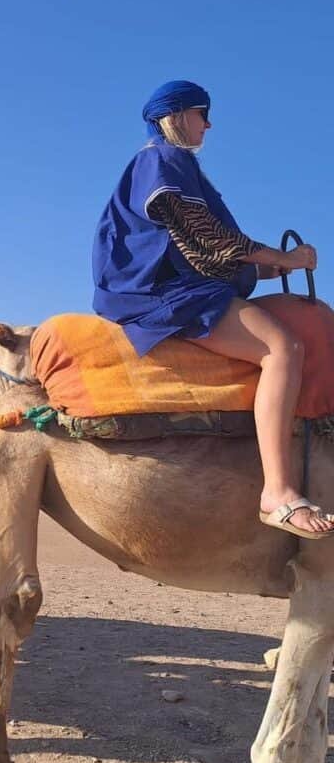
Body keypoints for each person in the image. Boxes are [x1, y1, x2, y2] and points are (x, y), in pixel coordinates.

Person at [92, 79, 334, 539]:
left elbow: (211, 255)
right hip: (164, 293)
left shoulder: (177, 166)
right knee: (282, 348)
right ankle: (278, 493)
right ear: (178, 116)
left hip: (190, 285)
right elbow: (210, 238)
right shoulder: (161, 159)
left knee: (303, 313)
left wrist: (275, 269)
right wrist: (286, 259)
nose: (209, 124)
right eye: (202, 113)